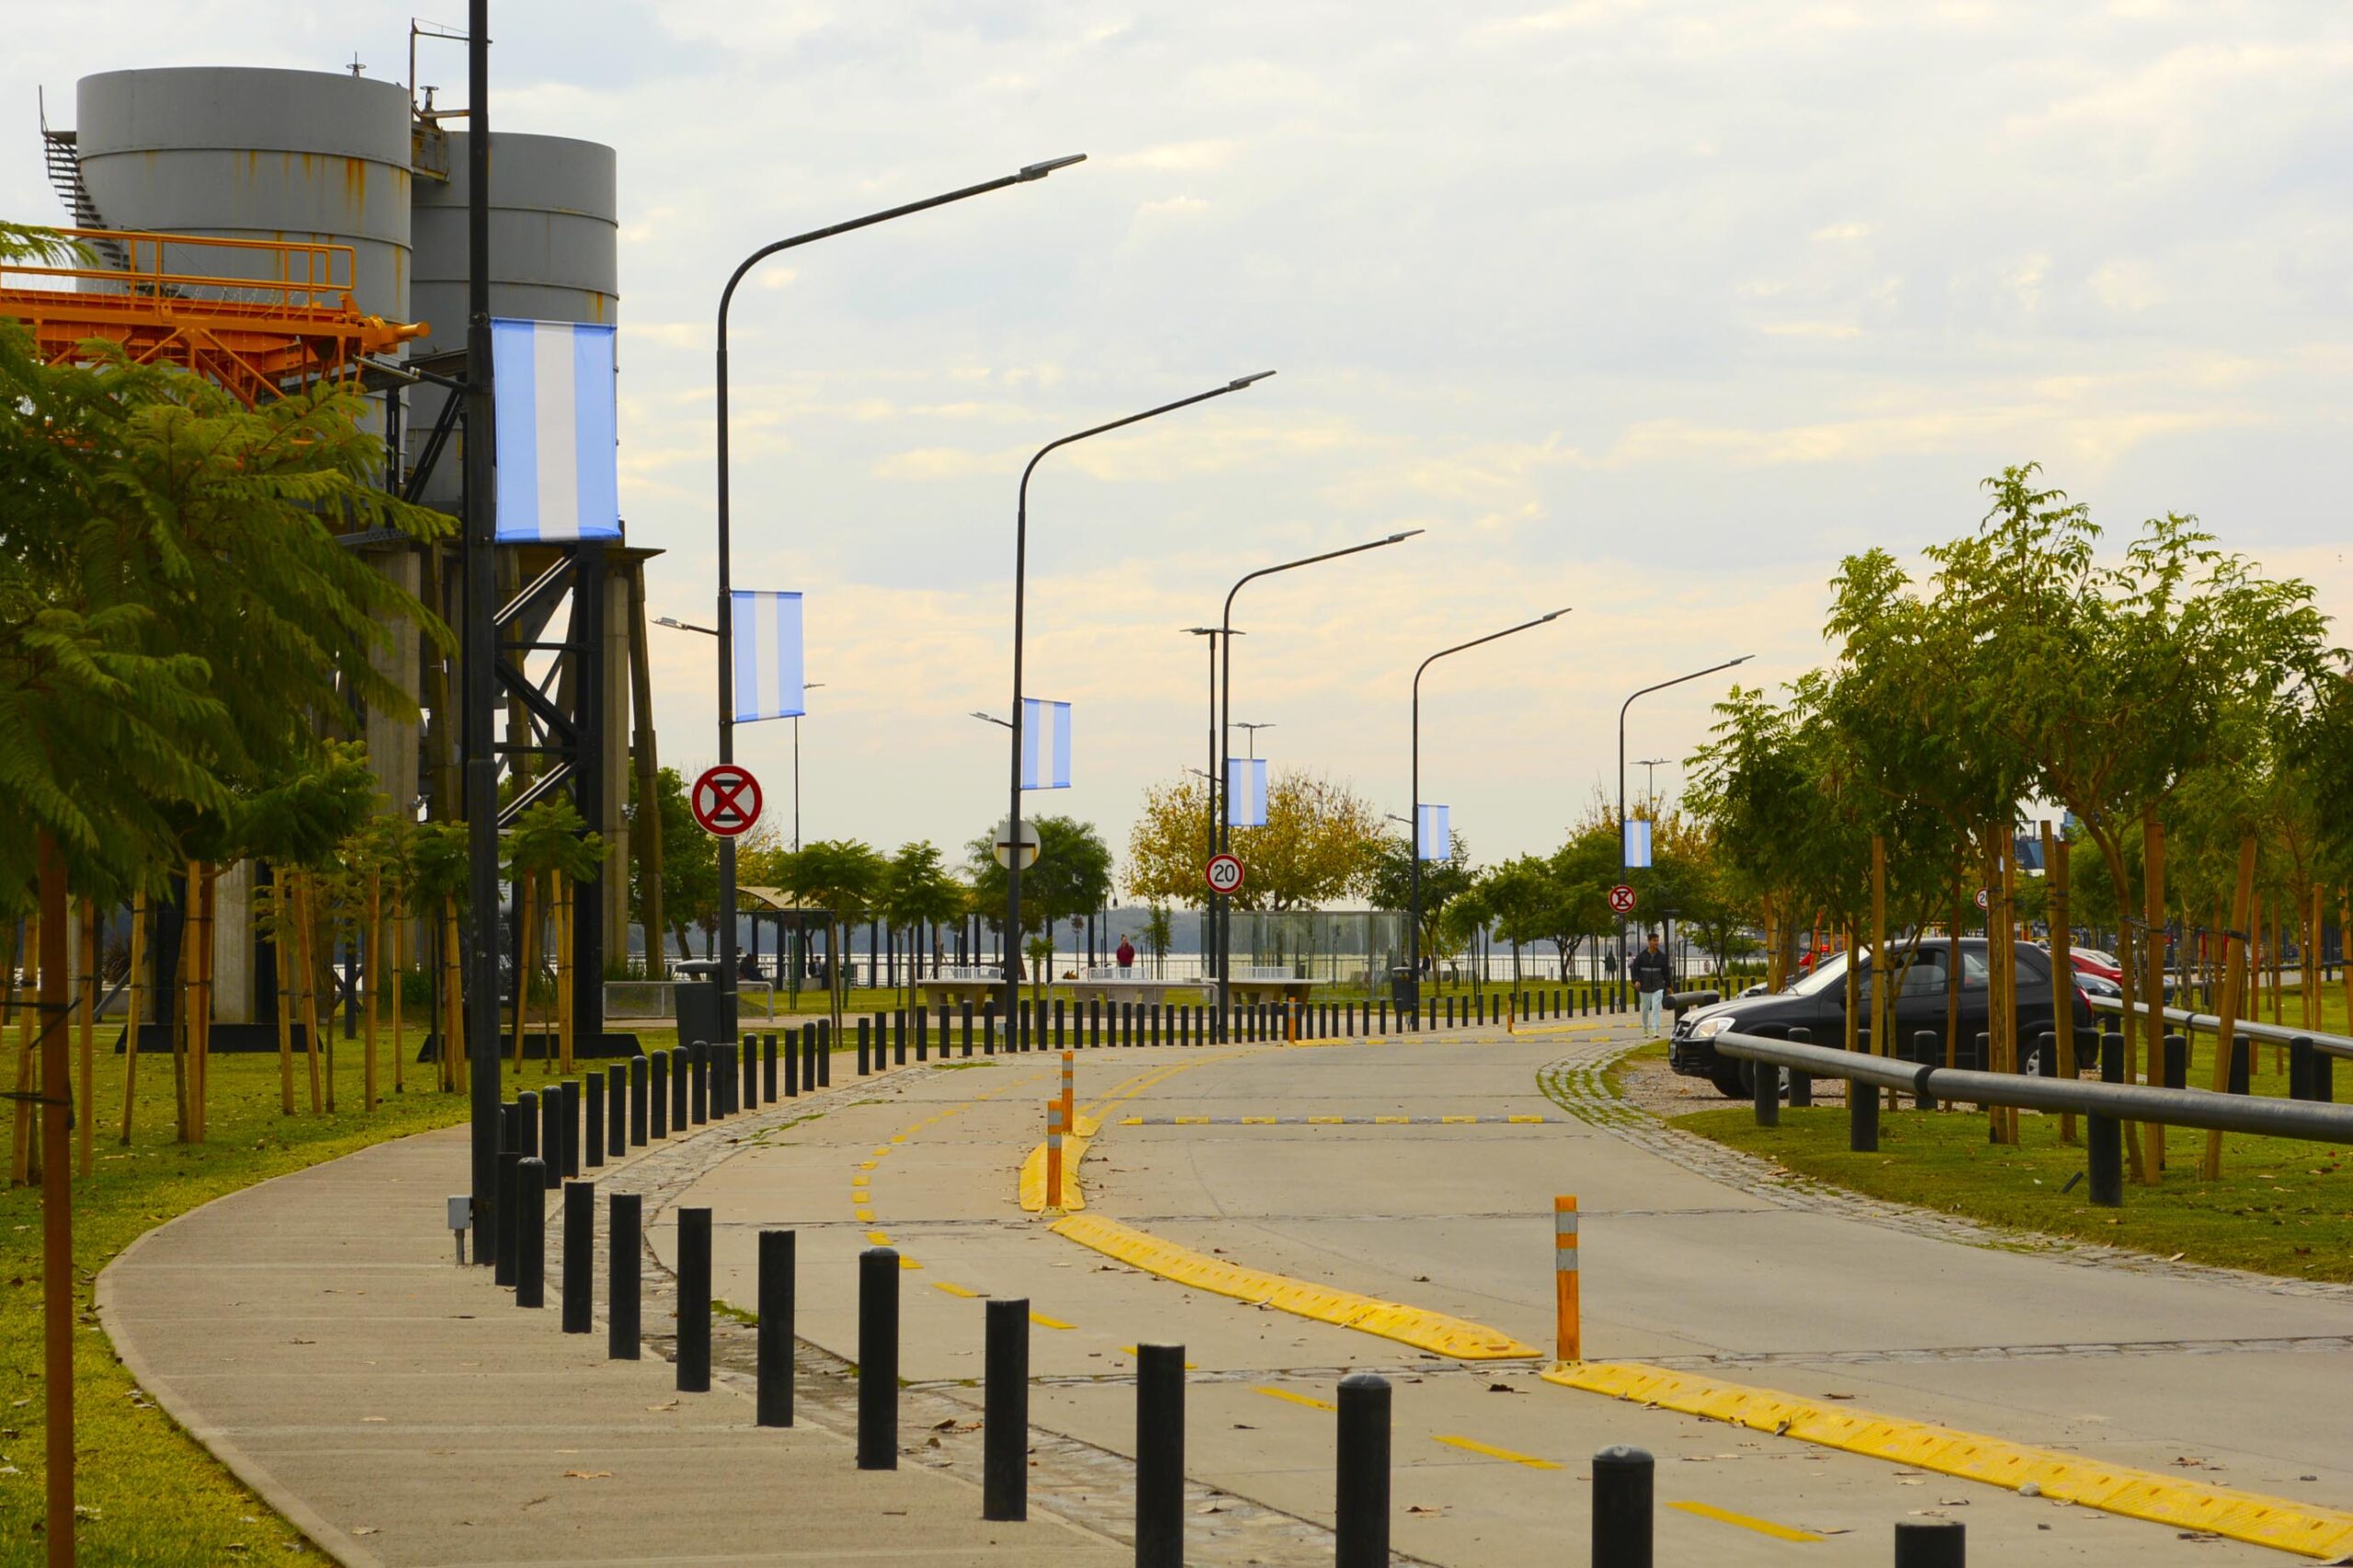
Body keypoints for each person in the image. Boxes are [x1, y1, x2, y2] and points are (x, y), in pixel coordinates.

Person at [1631, 931, 1672, 1035]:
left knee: (1656, 1008)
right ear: (1649, 942)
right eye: (1654, 940)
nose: (1656, 942)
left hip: (1658, 987)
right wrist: (1636, 981)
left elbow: (1666, 973)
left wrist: (1668, 986)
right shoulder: (1641, 957)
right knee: (1645, 1009)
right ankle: (1645, 1028)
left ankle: (1655, 1030)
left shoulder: (1662, 957)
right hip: (1644, 987)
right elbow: (1634, 970)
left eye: (1657, 940)